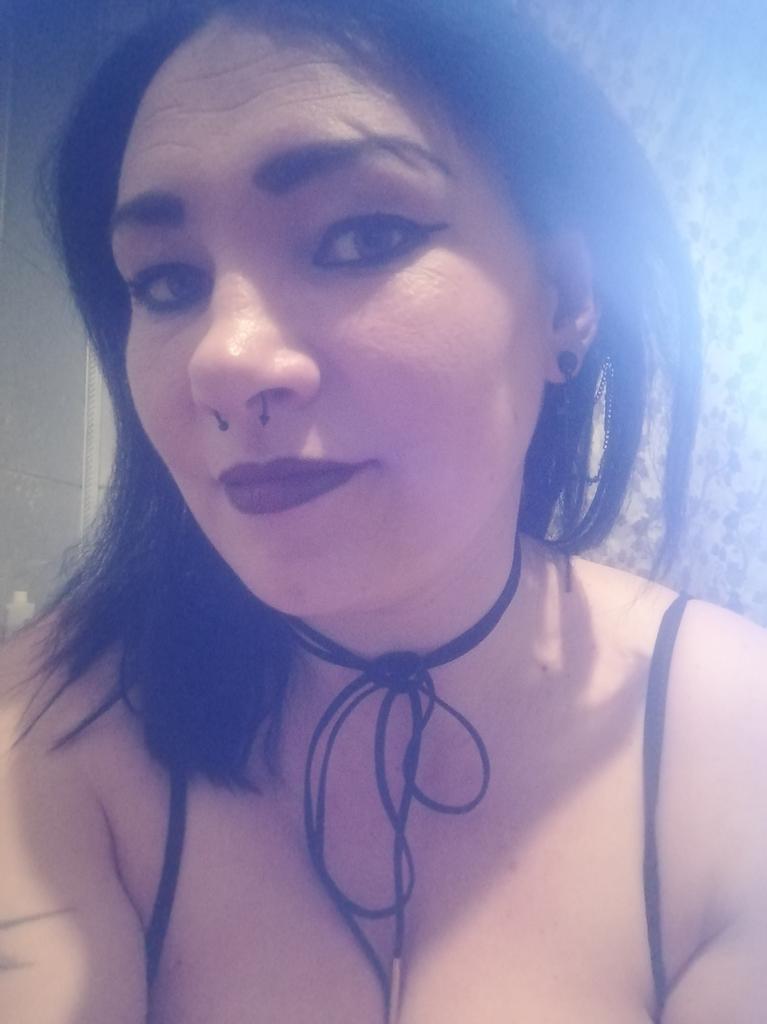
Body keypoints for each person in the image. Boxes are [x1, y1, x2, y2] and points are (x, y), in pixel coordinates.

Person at [1, 0, 765, 1021]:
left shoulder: (733, 739)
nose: (223, 358)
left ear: (565, 298)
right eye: (168, 281)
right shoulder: (47, 729)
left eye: (361, 236)